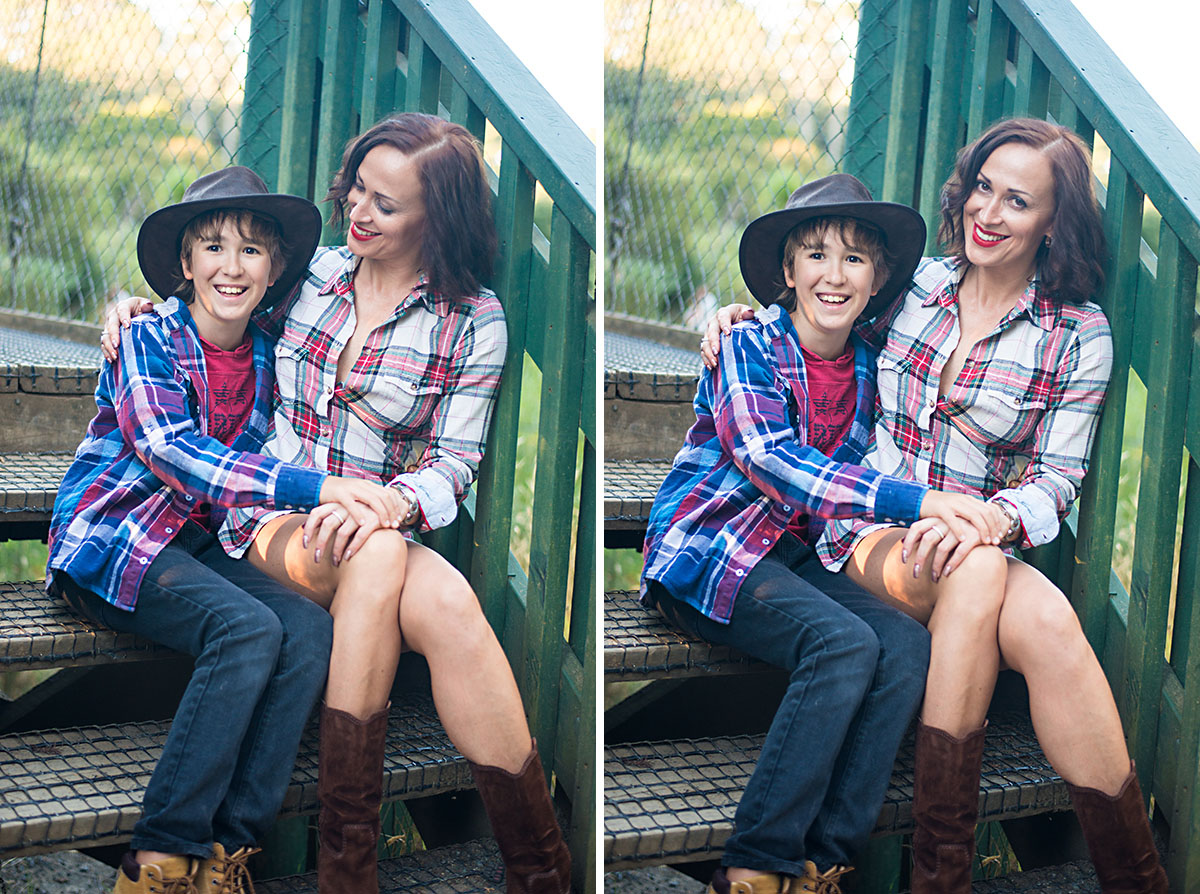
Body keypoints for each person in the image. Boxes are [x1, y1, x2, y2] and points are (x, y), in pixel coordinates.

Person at [104, 114, 571, 894]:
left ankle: (539, 869)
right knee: (388, 557)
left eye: (385, 205)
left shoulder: (474, 321)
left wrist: (386, 505)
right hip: (272, 517)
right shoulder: (308, 275)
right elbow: (212, 299)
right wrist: (134, 306)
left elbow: (455, 463)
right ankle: (349, 866)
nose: (359, 212)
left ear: (437, 217)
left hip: (374, 521)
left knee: (448, 604)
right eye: (358, 188)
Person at [704, 118, 1168, 894]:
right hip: (872, 528)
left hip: (977, 542)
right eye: (983, 188)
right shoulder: (916, 285)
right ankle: (941, 870)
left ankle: (1136, 878)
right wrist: (741, 315)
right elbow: (819, 304)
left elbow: (1057, 479)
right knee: (984, 575)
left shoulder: (1078, 335)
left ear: (1055, 221)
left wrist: (995, 517)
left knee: (1045, 618)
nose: (988, 213)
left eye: (1018, 201)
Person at [642, 173, 1009, 894]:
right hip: (709, 553)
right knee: (842, 642)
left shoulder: (871, 368)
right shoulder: (748, 343)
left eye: (853, 259)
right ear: (787, 272)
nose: (833, 275)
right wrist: (922, 501)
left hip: (789, 554)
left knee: (904, 645)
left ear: (878, 280)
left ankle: (822, 863)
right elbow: (771, 460)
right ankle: (754, 865)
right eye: (814, 255)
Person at [50, 167, 409, 894]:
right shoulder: (148, 338)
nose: (231, 265)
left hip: (194, 544)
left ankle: (226, 854)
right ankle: (162, 858)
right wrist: (317, 487)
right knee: (246, 630)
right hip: (116, 540)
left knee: (307, 632)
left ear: (274, 269)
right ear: (185, 266)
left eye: (251, 250)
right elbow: (172, 451)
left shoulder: (273, 356)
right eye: (212, 247)